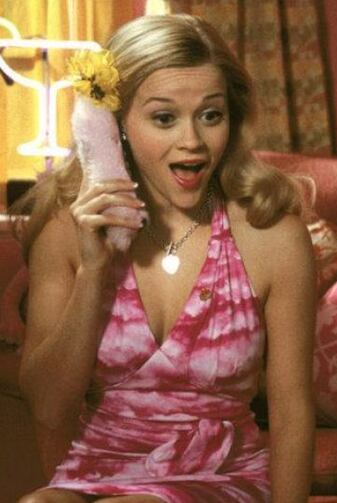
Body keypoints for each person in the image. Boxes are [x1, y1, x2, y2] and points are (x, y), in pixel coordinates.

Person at [14, 14, 315, 503]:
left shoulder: (272, 235)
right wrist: (94, 271)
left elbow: (292, 413)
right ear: (116, 125)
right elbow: (48, 408)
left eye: (210, 115)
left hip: (222, 476)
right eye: (164, 118)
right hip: (97, 472)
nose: (191, 141)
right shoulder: (66, 231)